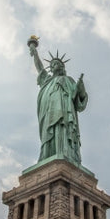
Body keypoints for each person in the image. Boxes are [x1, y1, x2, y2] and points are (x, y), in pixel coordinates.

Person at [28, 36, 88, 164]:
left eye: (57, 64)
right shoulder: (47, 80)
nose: (54, 65)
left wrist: (81, 89)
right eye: (52, 64)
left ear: (62, 67)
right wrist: (34, 52)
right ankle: (47, 155)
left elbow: (79, 101)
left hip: (65, 113)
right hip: (49, 112)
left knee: (63, 131)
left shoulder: (68, 80)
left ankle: (66, 154)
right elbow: (39, 67)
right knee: (49, 133)